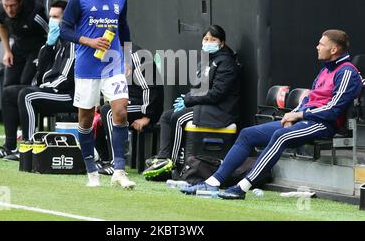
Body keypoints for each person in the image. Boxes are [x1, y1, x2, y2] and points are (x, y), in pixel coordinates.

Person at [181, 29, 363, 199]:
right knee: (247, 134)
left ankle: (241, 188)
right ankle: (212, 182)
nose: (317, 47)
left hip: (323, 124)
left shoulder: (347, 72)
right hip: (305, 119)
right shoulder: (325, 69)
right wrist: (293, 114)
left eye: (321, 44)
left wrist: (300, 116)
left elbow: (333, 109)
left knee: (280, 136)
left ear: (334, 49)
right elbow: (310, 99)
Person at [59, 0, 134, 189]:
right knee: (86, 119)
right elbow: (64, 30)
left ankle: (119, 170)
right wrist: (89, 42)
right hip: (87, 66)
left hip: (113, 64)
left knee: (120, 110)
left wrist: (128, 58)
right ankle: (92, 171)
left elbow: (124, 28)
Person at [143, 25, 241, 179]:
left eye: (213, 39)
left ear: (221, 42)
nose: (208, 42)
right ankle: (163, 158)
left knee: (179, 118)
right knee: (167, 116)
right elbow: (199, 88)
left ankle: (172, 164)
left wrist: (188, 100)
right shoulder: (207, 60)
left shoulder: (227, 63)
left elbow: (217, 94)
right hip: (206, 107)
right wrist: (187, 97)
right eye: (206, 39)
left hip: (221, 111)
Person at [0, 0, 74, 160]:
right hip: (52, 89)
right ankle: (9, 146)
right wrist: (48, 45)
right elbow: (40, 70)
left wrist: (44, 86)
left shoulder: (73, 42)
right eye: (51, 17)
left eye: (57, 17)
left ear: (66, 19)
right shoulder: (54, 41)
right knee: (9, 93)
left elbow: (66, 79)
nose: (52, 21)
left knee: (28, 94)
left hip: (68, 94)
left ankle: (28, 147)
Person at [99, 44, 164, 170]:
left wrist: (147, 116)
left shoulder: (137, 56)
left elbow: (153, 88)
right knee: (95, 113)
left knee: (108, 111)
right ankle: (104, 159)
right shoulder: (108, 53)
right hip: (123, 100)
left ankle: (116, 163)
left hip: (142, 104)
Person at [0, 0, 48, 87]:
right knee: (9, 84)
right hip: (18, 46)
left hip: (36, 48)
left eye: (13, 5)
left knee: (25, 83)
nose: (9, 10)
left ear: (20, 2)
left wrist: (47, 55)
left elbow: (50, 33)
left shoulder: (35, 13)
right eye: (6, 5)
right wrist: (7, 51)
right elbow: (1, 26)